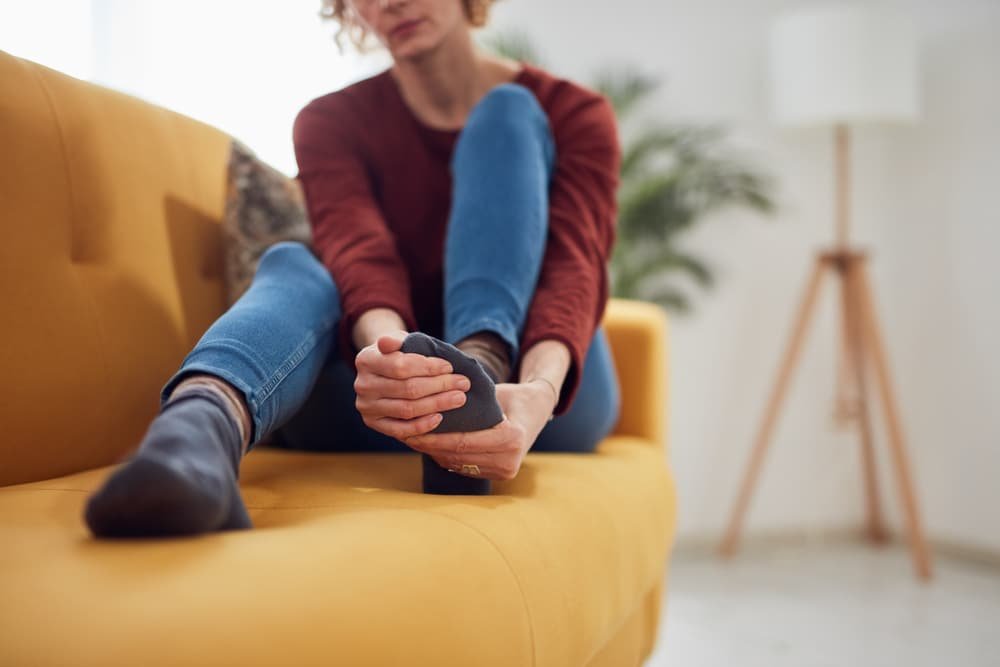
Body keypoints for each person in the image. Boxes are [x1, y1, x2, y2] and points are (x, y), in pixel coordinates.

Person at [83, 0, 622, 538]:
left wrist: (539, 391)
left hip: (542, 397)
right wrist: (400, 367)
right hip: (385, 404)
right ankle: (195, 434)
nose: (390, 2)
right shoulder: (329, 122)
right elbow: (360, 254)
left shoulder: (573, 113)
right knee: (295, 263)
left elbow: (573, 268)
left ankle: (482, 371)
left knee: (508, 111)